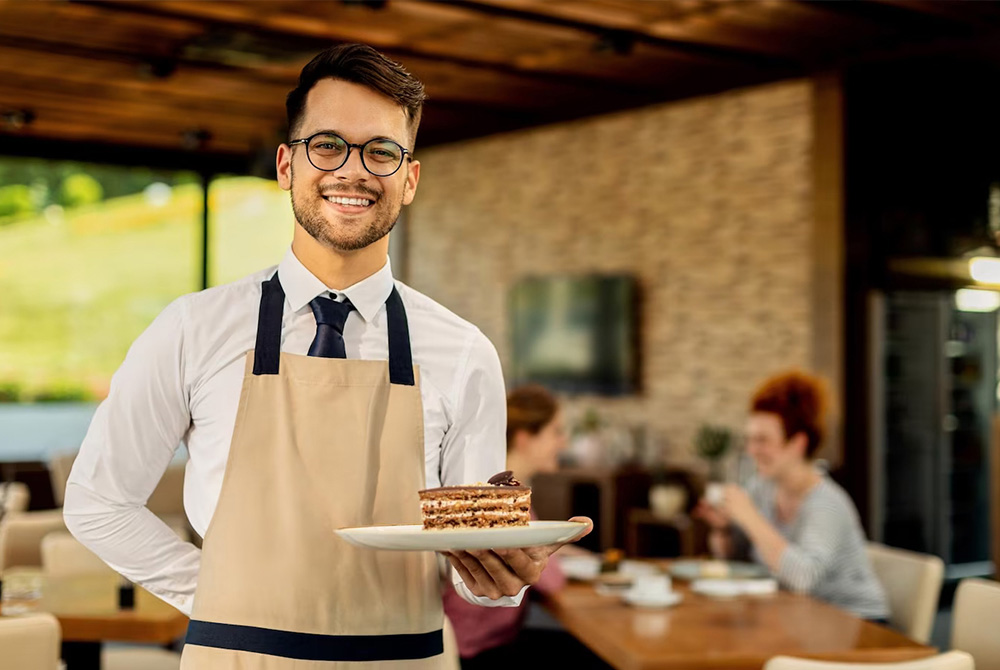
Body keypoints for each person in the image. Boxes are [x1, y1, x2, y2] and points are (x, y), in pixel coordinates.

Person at [63, 44, 590, 669]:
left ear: (409, 179)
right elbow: (99, 501)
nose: (353, 170)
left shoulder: (464, 352)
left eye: (381, 151)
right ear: (287, 165)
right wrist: (219, 597)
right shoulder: (192, 330)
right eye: (327, 145)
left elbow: (470, 563)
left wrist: (501, 577)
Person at [695, 370, 889, 620]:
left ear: (798, 443)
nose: (752, 450)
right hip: (801, 621)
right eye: (750, 439)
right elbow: (737, 556)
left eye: (763, 440)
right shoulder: (761, 488)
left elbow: (803, 579)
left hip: (857, 625)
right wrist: (722, 529)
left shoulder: (827, 503)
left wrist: (750, 517)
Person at [444, 385, 607, 669]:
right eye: (556, 431)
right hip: (477, 651)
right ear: (524, 439)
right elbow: (551, 579)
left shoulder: (496, 485)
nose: (564, 443)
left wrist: (582, 556)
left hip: (482, 640)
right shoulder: (503, 501)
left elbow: (534, 549)